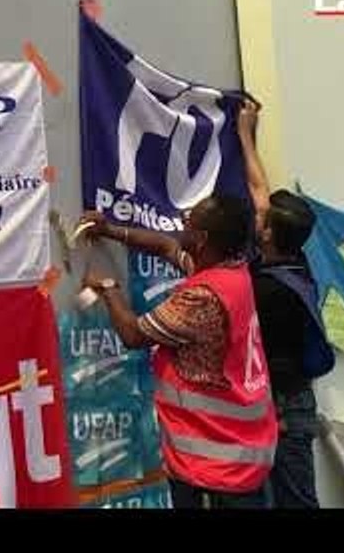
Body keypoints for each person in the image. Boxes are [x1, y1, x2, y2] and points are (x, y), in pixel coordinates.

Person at [80, 188, 278, 509]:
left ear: (201, 239)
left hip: (215, 469)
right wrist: (110, 230)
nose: (181, 225)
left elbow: (133, 334)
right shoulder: (231, 273)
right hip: (242, 453)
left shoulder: (202, 297)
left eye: (188, 222)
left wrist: (108, 287)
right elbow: (167, 246)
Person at [237, 99, 329, 509]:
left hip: (284, 412)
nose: (256, 216)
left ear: (269, 234)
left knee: (295, 501)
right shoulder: (293, 260)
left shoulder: (269, 289)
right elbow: (261, 193)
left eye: (263, 220)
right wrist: (245, 132)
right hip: (286, 403)